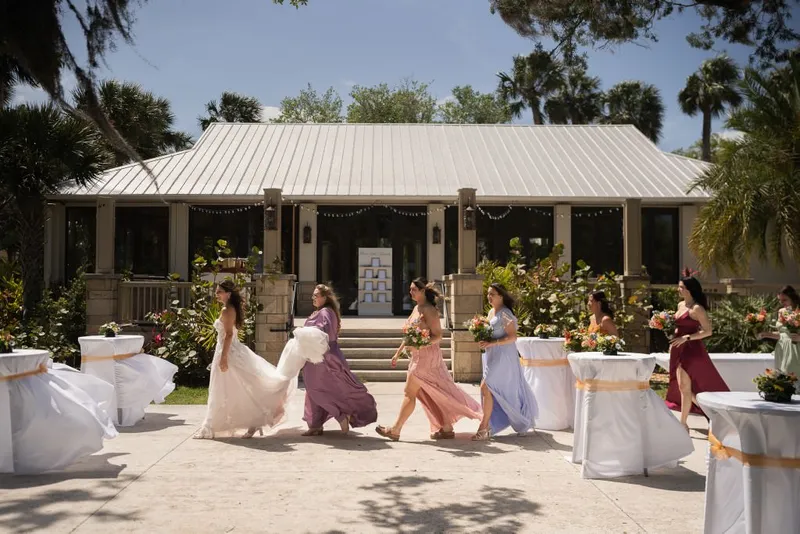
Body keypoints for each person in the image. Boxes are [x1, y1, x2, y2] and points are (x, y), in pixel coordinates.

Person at [376, 278, 482, 441]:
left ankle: (395, 430)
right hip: (417, 357)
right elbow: (409, 335)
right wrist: (398, 353)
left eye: (414, 290)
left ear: (423, 291)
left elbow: (438, 336)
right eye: (410, 289)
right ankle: (446, 427)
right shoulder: (417, 308)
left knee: (409, 392)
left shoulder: (430, 310)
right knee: (429, 393)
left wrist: (421, 344)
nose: (410, 292)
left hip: (427, 358)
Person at [193, 280, 296, 439]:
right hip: (230, 349)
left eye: (219, 291)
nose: (216, 294)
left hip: (229, 351)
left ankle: (221, 424)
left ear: (227, 293)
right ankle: (250, 422)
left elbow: (228, 335)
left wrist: (224, 357)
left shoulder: (228, 310)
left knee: (227, 388)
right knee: (234, 388)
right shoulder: (231, 308)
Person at [300, 284, 378, 436]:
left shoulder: (326, 312)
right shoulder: (321, 312)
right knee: (313, 390)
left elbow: (324, 334)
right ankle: (315, 425)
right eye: (313, 295)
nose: (313, 298)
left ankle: (341, 415)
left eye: (316, 295)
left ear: (324, 297)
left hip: (323, 357)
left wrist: (305, 333)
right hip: (315, 357)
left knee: (317, 389)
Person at [472, 283, 537, 441]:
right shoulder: (490, 312)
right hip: (492, 355)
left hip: (504, 357)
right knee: (488, 390)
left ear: (501, 296)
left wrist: (493, 343)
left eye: (492, 294)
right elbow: (491, 333)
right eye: (488, 294)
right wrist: (483, 338)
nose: (489, 297)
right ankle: (489, 425)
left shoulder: (505, 313)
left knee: (485, 386)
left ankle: (484, 427)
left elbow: (513, 336)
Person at [665, 276, 729, 431]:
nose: (678, 289)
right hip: (678, 347)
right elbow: (678, 325)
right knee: (684, 387)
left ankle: (683, 424)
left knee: (685, 387)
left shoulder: (697, 308)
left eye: (681, 287)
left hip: (691, 350)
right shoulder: (681, 304)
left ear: (689, 289)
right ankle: (709, 411)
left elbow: (708, 331)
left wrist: (687, 337)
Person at [757, 285, 800, 376]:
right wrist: (766, 334)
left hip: (796, 349)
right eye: (780, 300)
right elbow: (783, 334)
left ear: (793, 298)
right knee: (783, 377)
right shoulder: (781, 311)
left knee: (793, 375)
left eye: (784, 300)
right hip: (782, 348)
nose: (782, 302)